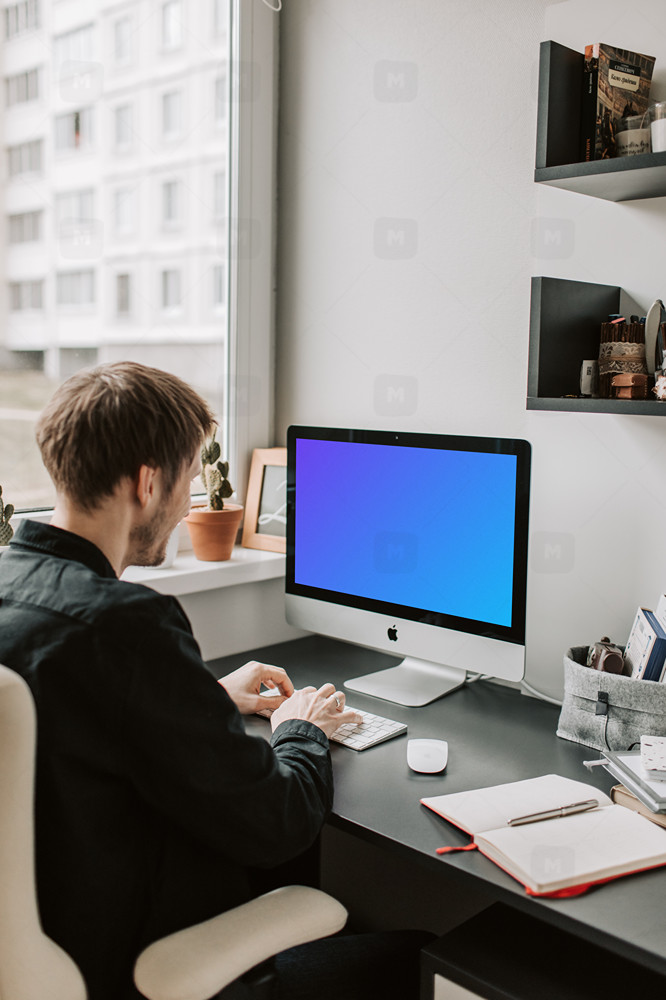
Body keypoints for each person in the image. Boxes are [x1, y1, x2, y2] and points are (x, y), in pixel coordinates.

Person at [0, 362, 428, 1000]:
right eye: (189, 482)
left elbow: (51, 719)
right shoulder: (126, 625)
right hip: (128, 959)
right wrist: (300, 729)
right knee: (416, 955)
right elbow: (277, 824)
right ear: (148, 482)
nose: (187, 505)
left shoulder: (14, 587)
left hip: (50, 935)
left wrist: (203, 701)